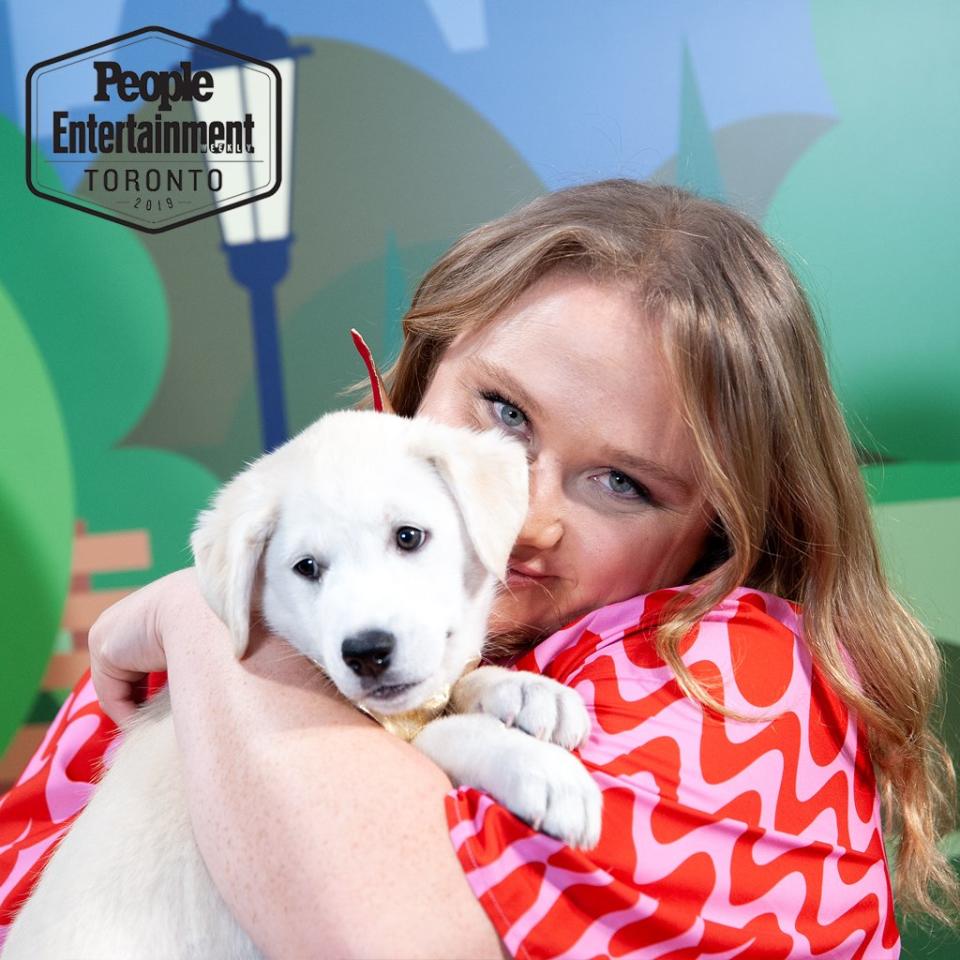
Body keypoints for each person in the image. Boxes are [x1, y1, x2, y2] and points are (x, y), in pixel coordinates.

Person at [0, 179, 956, 958]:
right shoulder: (279, 572)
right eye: (503, 411)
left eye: (621, 482)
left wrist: (205, 625)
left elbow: (378, 933)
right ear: (423, 365)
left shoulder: (739, 693)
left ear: (721, 533)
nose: (525, 516)